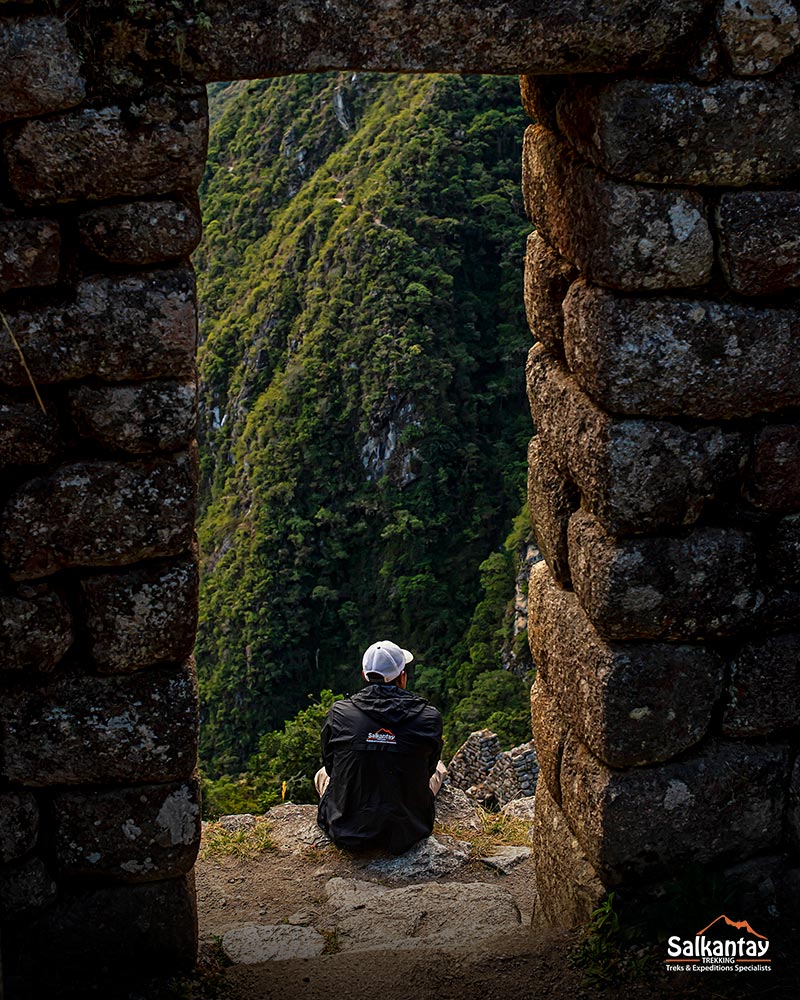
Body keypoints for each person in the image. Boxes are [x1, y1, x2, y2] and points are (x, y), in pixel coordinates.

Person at [315, 639, 447, 854]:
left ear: (364, 675)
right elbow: (429, 769)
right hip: (407, 832)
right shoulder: (428, 717)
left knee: (321, 774)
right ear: (402, 677)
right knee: (440, 767)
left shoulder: (340, 713)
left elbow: (331, 766)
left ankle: (350, 809)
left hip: (346, 830)